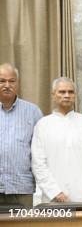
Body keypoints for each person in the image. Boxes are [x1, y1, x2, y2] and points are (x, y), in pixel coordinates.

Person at [31, 77, 82, 203]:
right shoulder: (43, 125)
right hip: (52, 197)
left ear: (75, 96)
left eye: (71, 92)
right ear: (53, 95)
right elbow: (38, 164)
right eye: (62, 92)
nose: (67, 95)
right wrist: (54, 192)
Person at [0, 63, 43, 207]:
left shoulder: (33, 112)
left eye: (11, 81)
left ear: (17, 84)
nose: (7, 85)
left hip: (22, 188)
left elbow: (41, 152)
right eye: (2, 81)